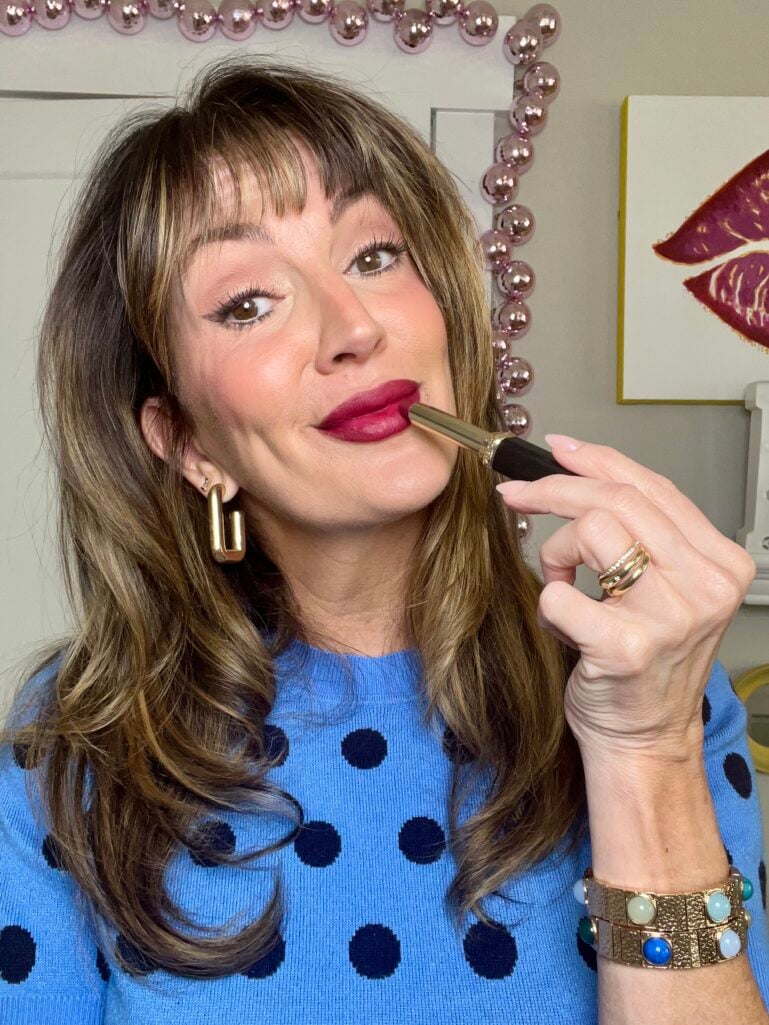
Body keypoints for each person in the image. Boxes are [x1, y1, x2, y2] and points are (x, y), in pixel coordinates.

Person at [0, 52, 767, 1025]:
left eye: (372, 256)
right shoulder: (75, 749)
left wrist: (646, 749)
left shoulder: (657, 680)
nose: (352, 326)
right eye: (248, 302)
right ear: (187, 440)